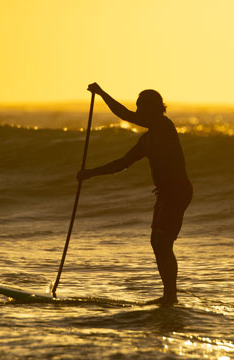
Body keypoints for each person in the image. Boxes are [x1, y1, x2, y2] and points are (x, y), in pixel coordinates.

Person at [77, 83, 193, 306]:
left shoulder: (163, 125)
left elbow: (124, 114)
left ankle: (171, 296)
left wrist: (102, 94)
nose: (138, 110)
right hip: (166, 194)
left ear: (154, 108)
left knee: (163, 242)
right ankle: (169, 294)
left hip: (177, 192)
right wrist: (90, 173)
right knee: (156, 242)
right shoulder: (147, 140)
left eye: (141, 106)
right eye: (137, 106)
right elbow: (122, 163)